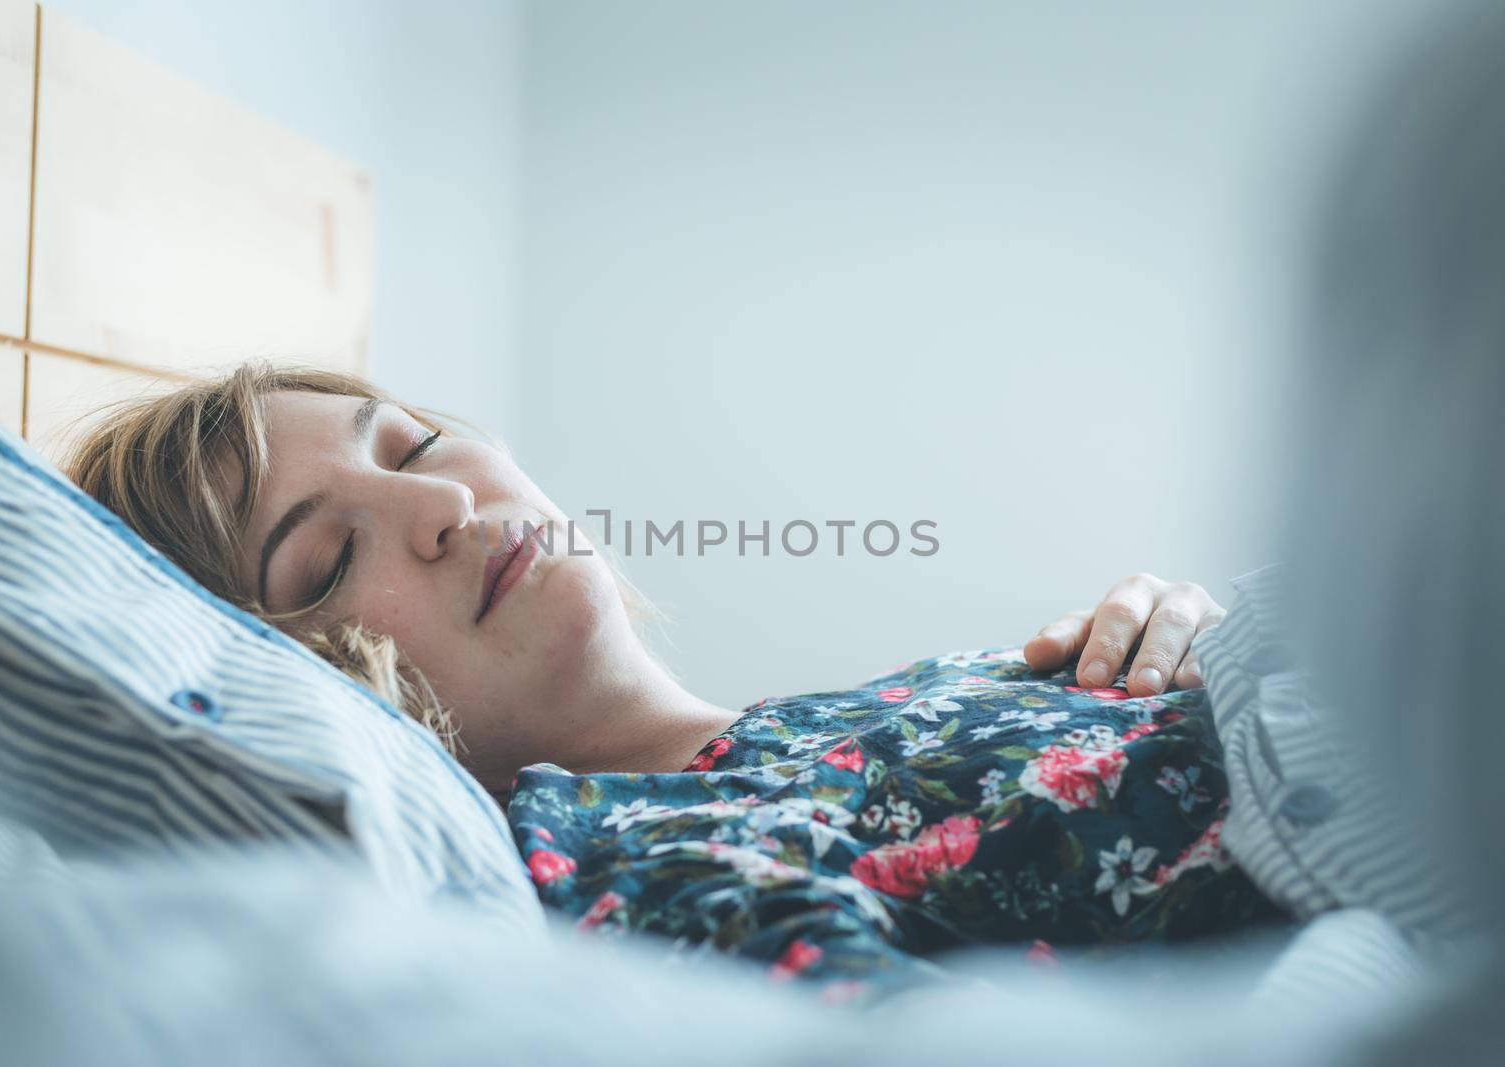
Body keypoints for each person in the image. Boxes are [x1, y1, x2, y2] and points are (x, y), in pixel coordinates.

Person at [63, 364, 1281, 999]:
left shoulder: (856, 712)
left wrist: (1209, 644)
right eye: (328, 555)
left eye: (417, 443)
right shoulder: (618, 879)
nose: (440, 503)